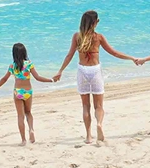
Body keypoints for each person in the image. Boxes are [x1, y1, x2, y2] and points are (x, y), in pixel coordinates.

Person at [55, 10, 137, 145]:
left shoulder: (77, 37)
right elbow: (114, 53)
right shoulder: (98, 37)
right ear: (95, 23)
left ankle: (88, 136)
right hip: (95, 71)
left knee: (85, 105)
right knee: (98, 105)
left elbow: (69, 55)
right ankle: (99, 124)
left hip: (82, 71)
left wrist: (60, 71)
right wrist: (131, 58)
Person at [0, 43, 58, 144]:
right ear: (24, 52)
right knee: (28, 112)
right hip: (28, 91)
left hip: (18, 92)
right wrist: (51, 80)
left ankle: (23, 140)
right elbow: (38, 77)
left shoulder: (12, 66)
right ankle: (31, 129)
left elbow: (4, 79)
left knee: (20, 116)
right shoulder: (29, 64)